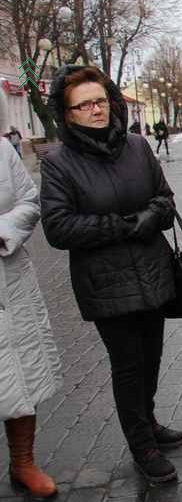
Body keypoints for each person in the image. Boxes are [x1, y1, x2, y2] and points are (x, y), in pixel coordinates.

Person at [38, 65, 182, 484]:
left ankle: (149, 422)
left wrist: (151, 215)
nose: (95, 110)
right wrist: (124, 226)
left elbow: (165, 199)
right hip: (105, 284)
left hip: (153, 274)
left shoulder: (138, 146)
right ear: (68, 115)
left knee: (152, 357)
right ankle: (142, 447)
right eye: (83, 105)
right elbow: (58, 227)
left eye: (99, 100)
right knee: (128, 364)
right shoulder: (59, 164)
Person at [0, 137, 62, 498]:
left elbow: (28, 202)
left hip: (10, 279)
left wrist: (3, 229)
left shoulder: (2, 150)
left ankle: (23, 461)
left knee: (20, 373)